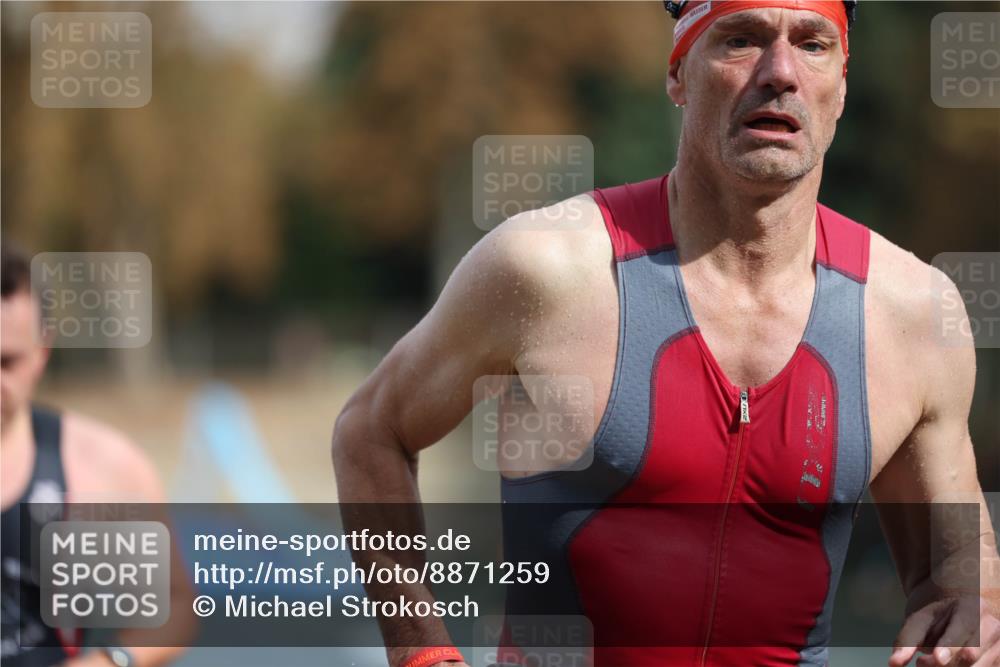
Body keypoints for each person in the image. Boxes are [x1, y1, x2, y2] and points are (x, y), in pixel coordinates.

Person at [331, 2, 1000, 666]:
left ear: (842, 86)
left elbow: (962, 576)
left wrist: (976, 612)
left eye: (814, 45)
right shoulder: (547, 268)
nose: (780, 72)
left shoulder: (911, 313)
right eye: (741, 41)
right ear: (678, 75)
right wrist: (421, 652)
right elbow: (370, 428)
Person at [1, 242, 192, 667]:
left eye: (6, 361)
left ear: (42, 350)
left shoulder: (96, 468)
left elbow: (171, 608)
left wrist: (111, 660)